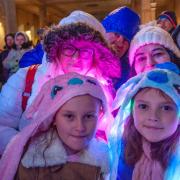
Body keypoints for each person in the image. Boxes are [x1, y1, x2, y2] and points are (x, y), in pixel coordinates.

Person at [0, 10, 120, 155]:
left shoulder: (102, 89)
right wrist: (29, 151)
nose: (76, 58)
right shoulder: (26, 78)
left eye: (85, 51)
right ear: (56, 49)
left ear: (96, 55)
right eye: (69, 49)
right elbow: (2, 124)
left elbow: (110, 136)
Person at [0, 73, 112, 180]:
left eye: (88, 116)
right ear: (53, 117)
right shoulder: (32, 157)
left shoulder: (105, 158)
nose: (80, 127)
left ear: (100, 116)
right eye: (69, 116)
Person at [109, 65, 180, 180]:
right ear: (132, 110)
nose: (153, 117)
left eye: (166, 108)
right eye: (143, 106)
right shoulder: (120, 149)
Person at [102, 6, 141, 89]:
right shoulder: (87, 62)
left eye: (126, 40)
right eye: (116, 35)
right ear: (104, 34)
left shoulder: (133, 72)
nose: (120, 43)